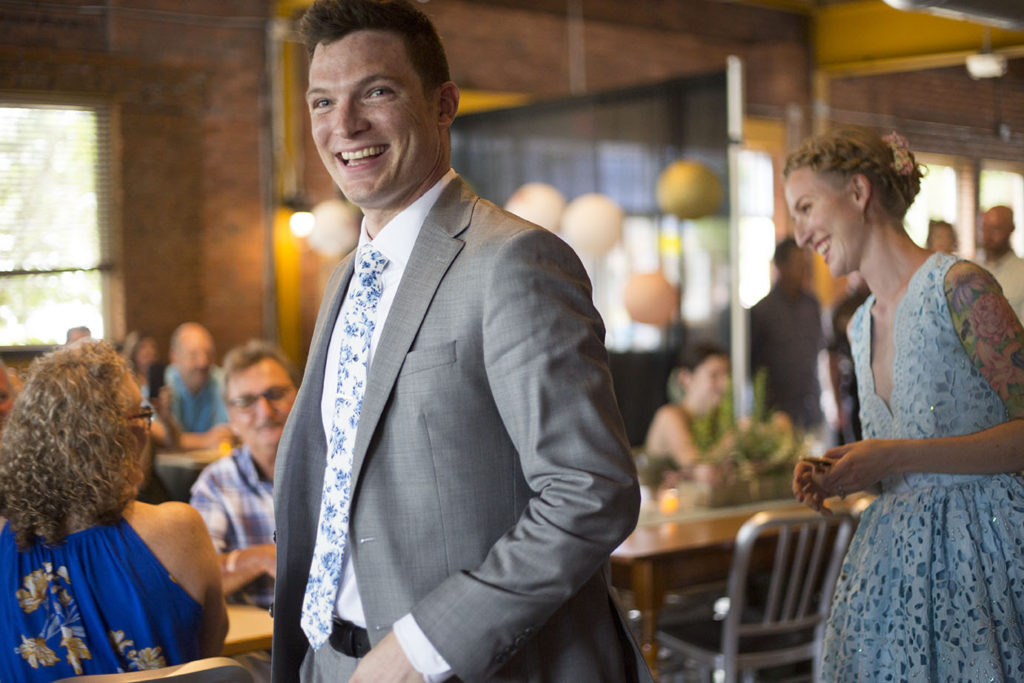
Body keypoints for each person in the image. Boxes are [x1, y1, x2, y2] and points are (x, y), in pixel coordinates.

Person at [272, 2, 648, 682]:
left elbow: (591, 491)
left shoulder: (512, 260)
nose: (344, 125)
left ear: (443, 104)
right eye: (323, 101)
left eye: (376, 92)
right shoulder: (344, 280)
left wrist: (422, 648)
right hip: (330, 661)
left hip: (472, 666)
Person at [787, 127, 1024, 679]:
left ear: (858, 193)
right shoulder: (861, 325)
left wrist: (894, 456)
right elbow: (904, 469)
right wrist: (844, 472)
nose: (799, 236)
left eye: (805, 207)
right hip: (897, 573)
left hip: (987, 566)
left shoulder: (961, 287)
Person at [0, 340, 227, 680]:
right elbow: (208, 654)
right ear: (123, 433)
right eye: (142, 414)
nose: (145, 430)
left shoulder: (4, 546)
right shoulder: (179, 529)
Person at [190, 340, 296, 609]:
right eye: (247, 401)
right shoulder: (215, 484)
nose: (264, 411)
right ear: (231, 417)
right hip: (260, 645)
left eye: (275, 394)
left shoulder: (338, 472)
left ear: (299, 396)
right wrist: (263, 558)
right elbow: (198, 579)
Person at [750, 236, 826, 432]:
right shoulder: (762, 311)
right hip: (776, 412)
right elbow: (753, 366)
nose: (802, 269)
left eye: (805, 263)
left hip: (810, 409)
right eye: (796, 263)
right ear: (780, 266)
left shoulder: (812, 305)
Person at [643, 341, 730, 469]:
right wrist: (731, 441)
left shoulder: (714, 420)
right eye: (714, 375)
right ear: (685, 378)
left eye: (727, 374)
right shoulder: (669, 416)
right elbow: (694, 465)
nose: (725, 384)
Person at [161, 322, 233, 451]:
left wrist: (183, 441)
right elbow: (154, 430)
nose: (203, 362)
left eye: (208, 354)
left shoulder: (223, 381)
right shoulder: (162, 384)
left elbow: (230, 431)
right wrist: (205, 441)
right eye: (193, 355)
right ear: (174, 356)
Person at [978, 205, 1024, 320]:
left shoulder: (1021, 271)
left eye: (995, 228)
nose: (988, 235)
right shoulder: (972, 269)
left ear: (1011, 228)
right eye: (985, 228)